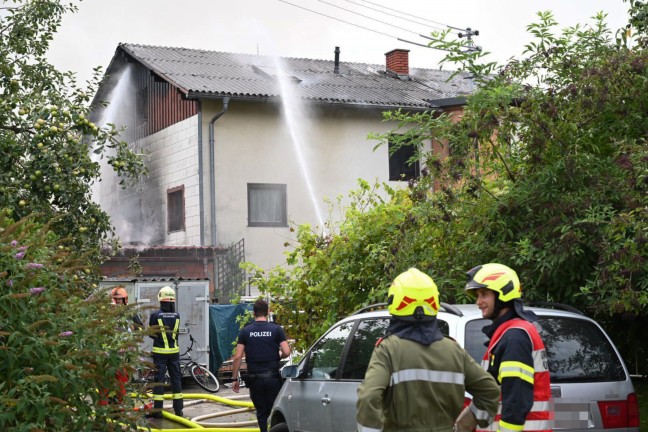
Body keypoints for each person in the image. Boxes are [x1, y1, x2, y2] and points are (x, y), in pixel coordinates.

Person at [357, 268, 501, 432]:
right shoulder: (453, 350)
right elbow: (490, 391)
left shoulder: (388, 349)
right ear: (434, 302)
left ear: (395, 302)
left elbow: (369, 397)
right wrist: (467, 422)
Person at [465, 263, 554, 432]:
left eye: (484, 294)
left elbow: (516, 401)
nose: (478, 302)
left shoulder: (515, 337)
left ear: (502, 294)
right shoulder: (508, 334)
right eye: (477, 295)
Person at [231, 298, 291, 432]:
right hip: (273, 379)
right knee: (275, 411)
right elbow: (286, 351)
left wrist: (234, 379)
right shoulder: (276, 329)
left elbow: (237, 356)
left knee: (261, 413)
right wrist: (279, 356)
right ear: (268, 312)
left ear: (254, 313)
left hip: (255, 381)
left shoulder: (246, 331)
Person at [148, 285, 183, 418]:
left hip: (160, 353)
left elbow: (151, 334)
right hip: (174, 353)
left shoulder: (155, 315)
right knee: (176, 380)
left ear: (161, 300)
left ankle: (157, 411)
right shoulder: (177, 315)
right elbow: (176, 333)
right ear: (172, 301)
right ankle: (179, 410)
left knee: (159, 381)